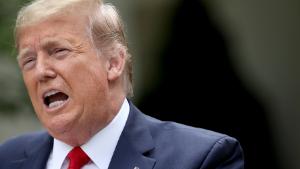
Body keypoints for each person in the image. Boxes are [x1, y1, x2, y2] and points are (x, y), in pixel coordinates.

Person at [0, 0, 244, 169]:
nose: (41, 71)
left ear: (113, 63)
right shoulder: (7, 159)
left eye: (59, 51)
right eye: (29, 60)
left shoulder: (201, 158)